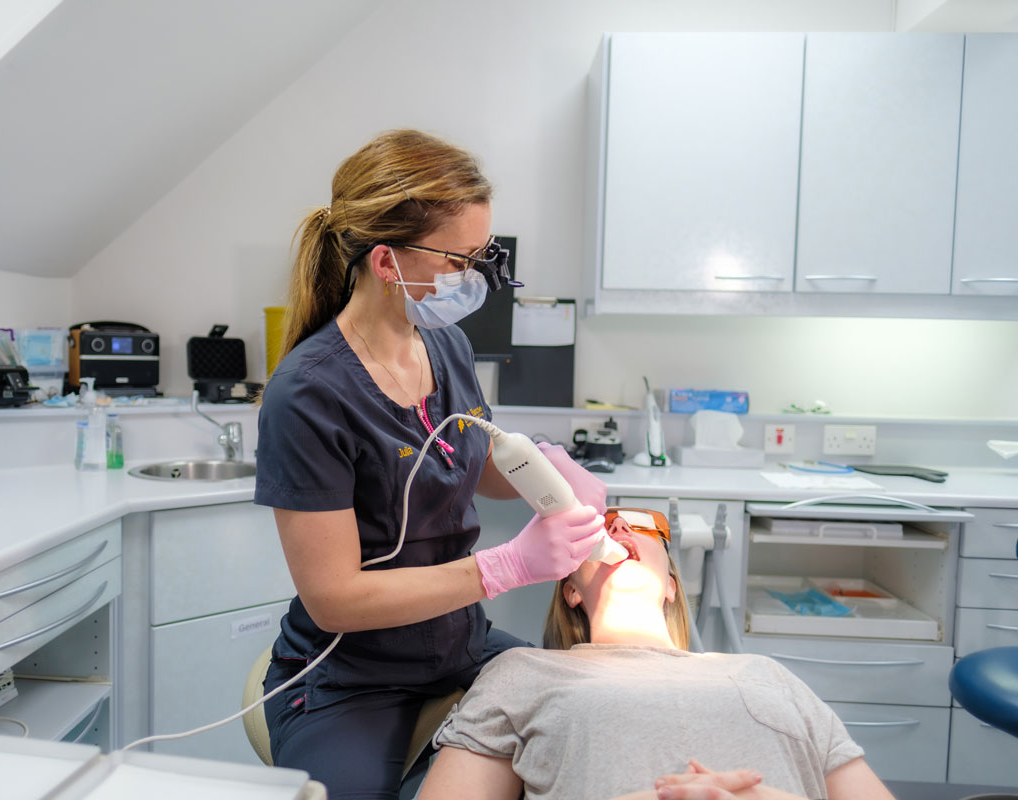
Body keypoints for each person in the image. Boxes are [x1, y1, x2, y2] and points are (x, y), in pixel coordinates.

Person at [253, 129, 607, 799]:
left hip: (460, 648)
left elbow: (472, 462)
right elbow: (334, 600)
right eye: (462, 259)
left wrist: (555, 476)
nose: (478, 278)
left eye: (484, 256)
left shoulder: (443, 345)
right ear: (386, 262)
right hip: (348, 675)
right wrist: (507, 566)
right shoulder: (309, 394)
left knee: (590, 733)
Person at [420, 509, 897, 800]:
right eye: (604, 525)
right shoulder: (524, 673)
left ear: (671, 584)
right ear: (570, 590)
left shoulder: (767, 674)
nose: (622, 526)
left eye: (643, 527)